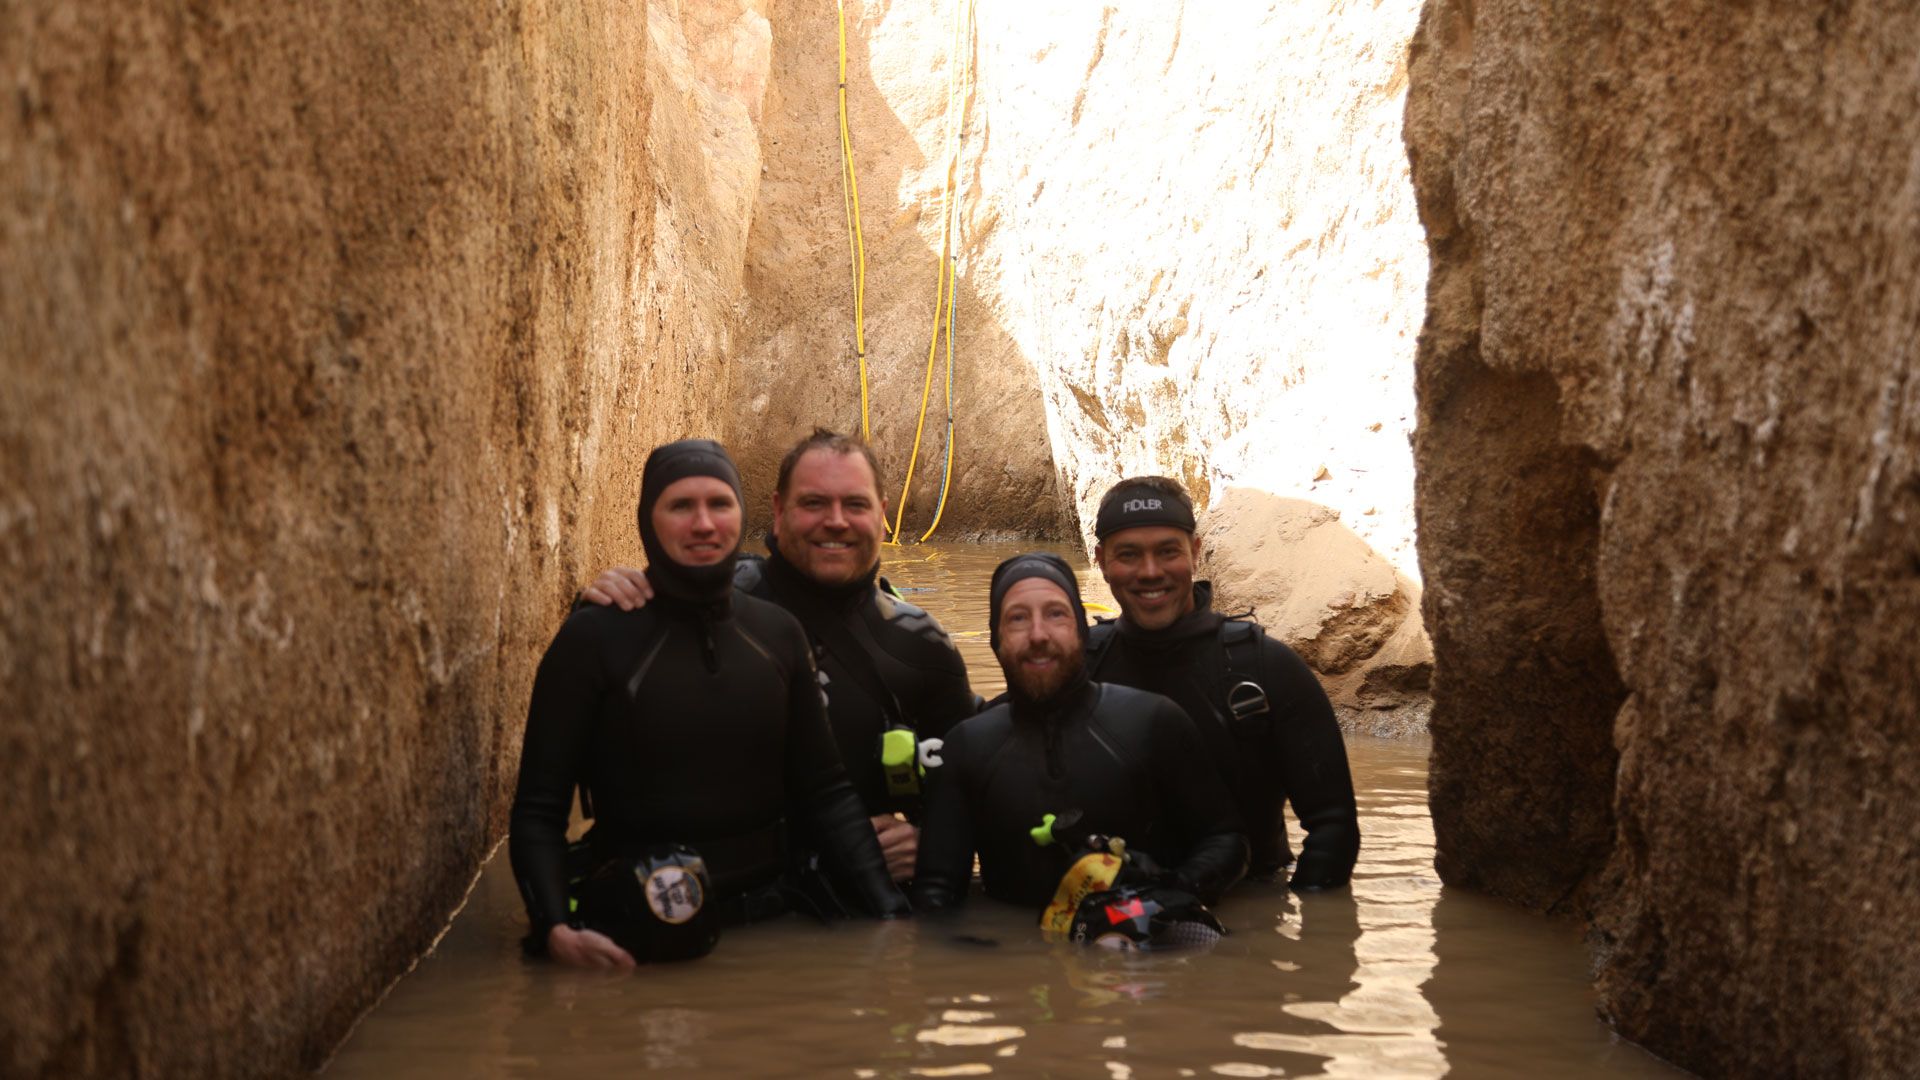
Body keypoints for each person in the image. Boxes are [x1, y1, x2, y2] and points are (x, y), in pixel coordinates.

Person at [509, 439, 908, 970]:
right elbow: (538, 811)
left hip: (779, 918)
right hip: (644, 930)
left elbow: (826, 791)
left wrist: (891, 917)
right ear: (648, 519)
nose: (703, 523)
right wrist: (555, 928)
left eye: (719, 504)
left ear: (742, 513)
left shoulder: (777, 633)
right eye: (681, 506)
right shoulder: (594, 638)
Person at [579, 429, 976, 882]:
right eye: (813, 503)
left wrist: (931, 846)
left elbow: (972, 800)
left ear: (882, 514)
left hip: (847, 905)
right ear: (778, 511)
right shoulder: (706, 603)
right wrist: (604, 604)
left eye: (856, 504)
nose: (836, 521)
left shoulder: (922, 646)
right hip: (695, 901)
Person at [911, 553, 1248, 911]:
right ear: (997, 640)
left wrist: (1175, 890)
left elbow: (1227, 840)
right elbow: (936, 895)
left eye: (1056, 614)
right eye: (1018, 618)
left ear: (1082, 630)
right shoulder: (968, 746)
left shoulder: (1153, 721)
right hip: (1020, 956)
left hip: (1143, 949)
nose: (1038, 634)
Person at [1087, 476, 1360, 890]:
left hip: (1248, 919)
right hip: (1110, 920)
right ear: (1102, 561)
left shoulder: (1264, 668)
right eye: (1128, 554)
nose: (1150, 572)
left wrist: (1307, 936)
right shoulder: (1079, 666)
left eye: (1168, 551)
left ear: (1195, 553)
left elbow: (1332, 828)